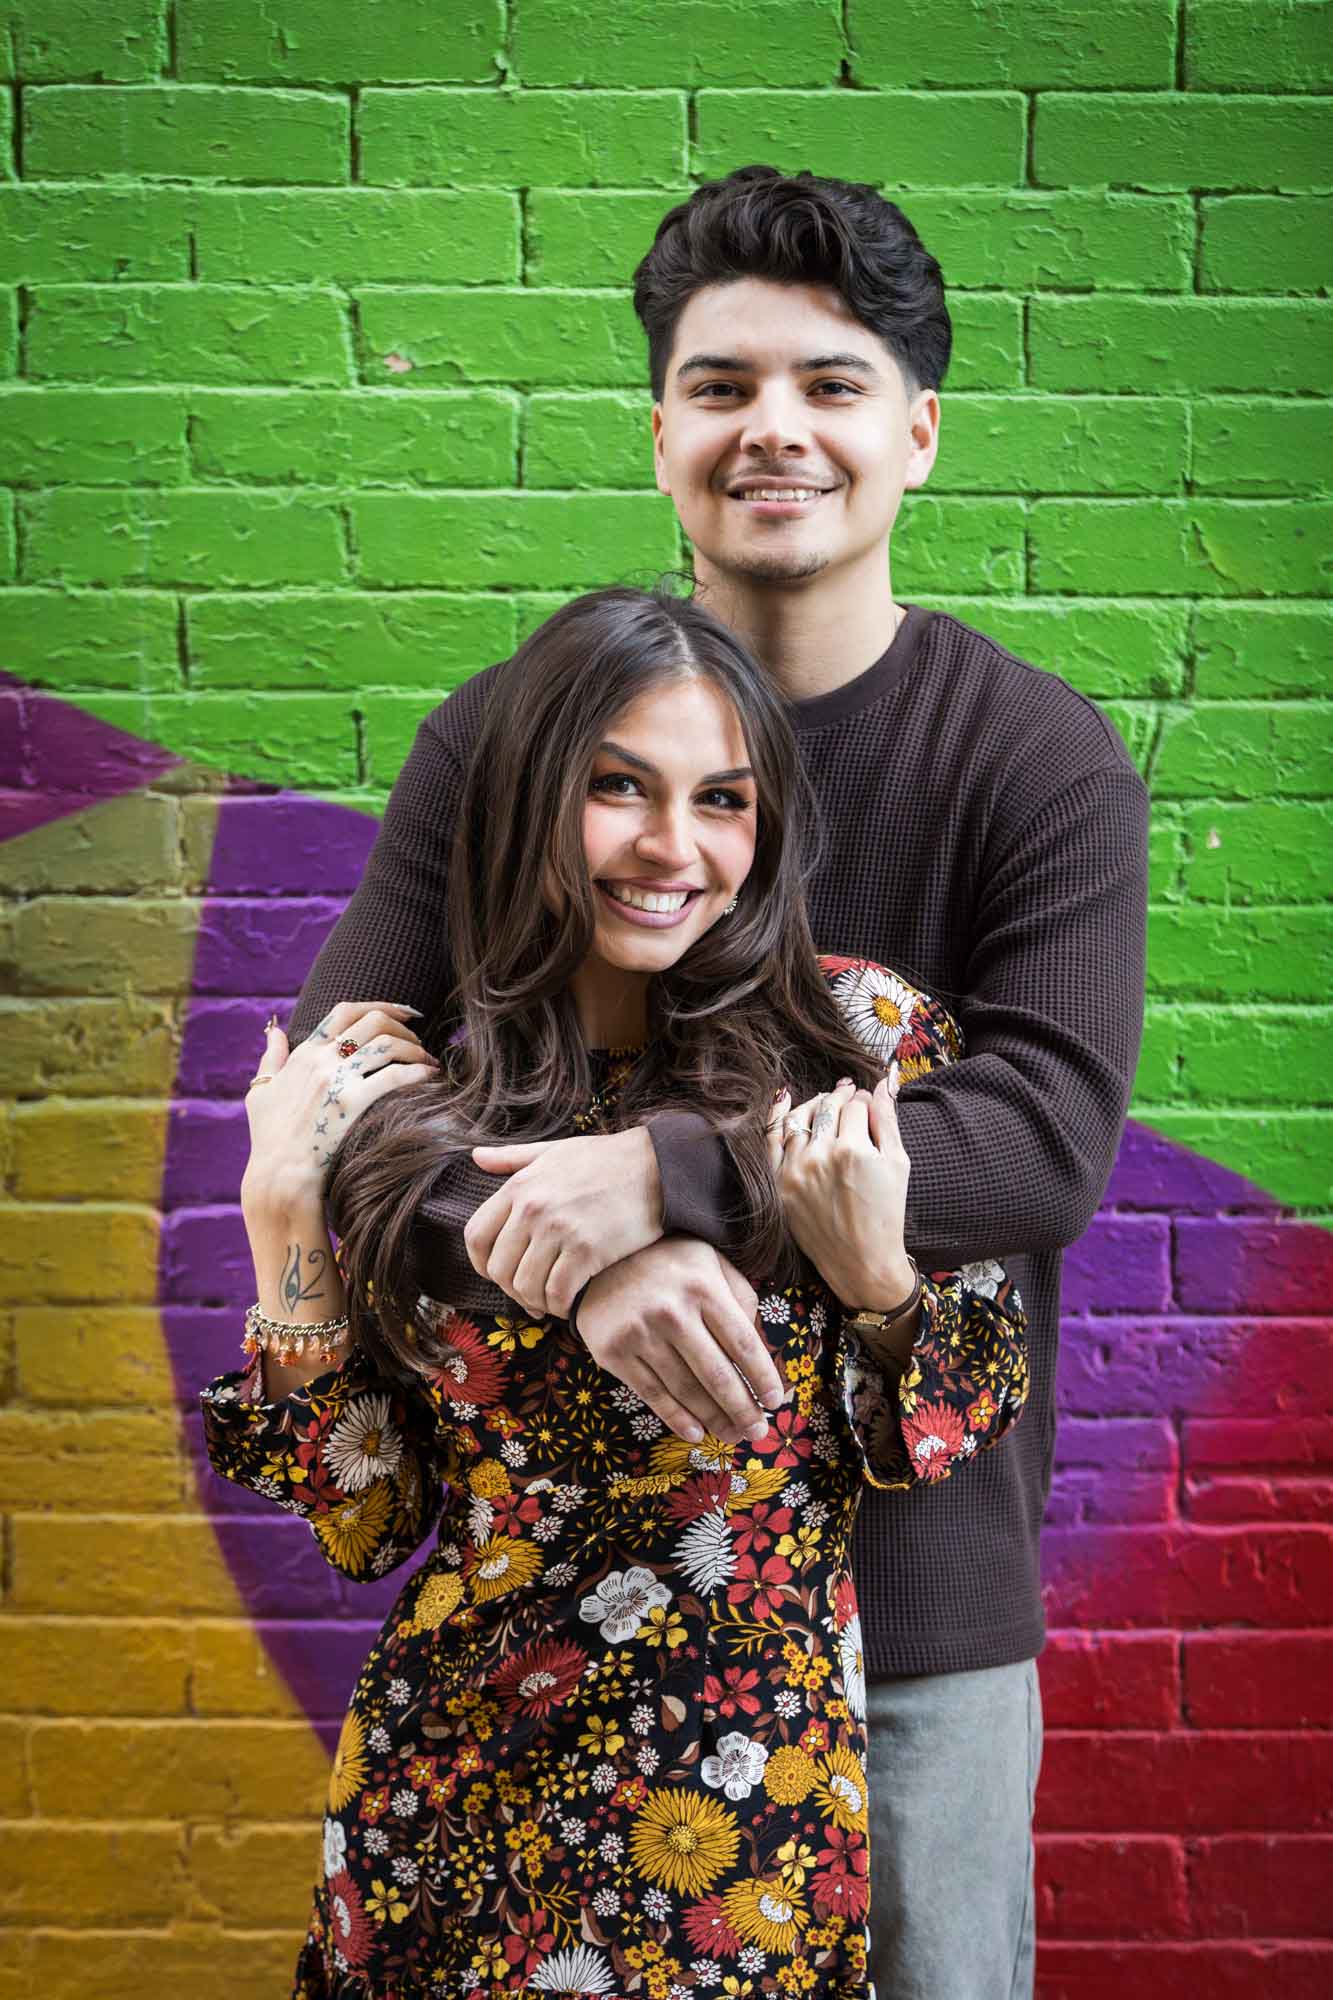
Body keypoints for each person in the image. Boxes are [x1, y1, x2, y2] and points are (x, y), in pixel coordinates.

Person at [289, 168, 1149, 1995]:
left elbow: (1036, 1143)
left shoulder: (1032, 762)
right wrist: (574, 1235)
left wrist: (674, 1173)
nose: (777, 429)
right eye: (723, 384)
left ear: (914, 433)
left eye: (832, 386)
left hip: (908, 1615)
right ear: (661, 429)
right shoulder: (503, 748)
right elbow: (341, 1084)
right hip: (553, 1649)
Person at [202, 587, 1029, 1997]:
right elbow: (366, 1518)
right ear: (527, 800)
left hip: (738, 1796)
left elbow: (945, 1427)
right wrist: (287, 1227)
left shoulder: (862, 1047)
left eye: (721, 799)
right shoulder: (417, 1097)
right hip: (456, 1784)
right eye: (615, 789)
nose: (671, 846)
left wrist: (878, 1275)